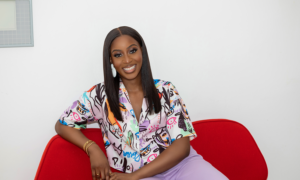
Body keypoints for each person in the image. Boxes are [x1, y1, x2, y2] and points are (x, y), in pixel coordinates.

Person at [55, 26, 229, 180]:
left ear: (142, 52)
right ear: (110, 60)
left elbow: (182, 147)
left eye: (132, 51)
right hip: (140, 176)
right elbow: (63, 124)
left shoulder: (166, 90)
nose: (127, 60)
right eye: (118, 54)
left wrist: (133, 177)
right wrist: (91, 148)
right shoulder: (100, 95)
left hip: (183, 166)